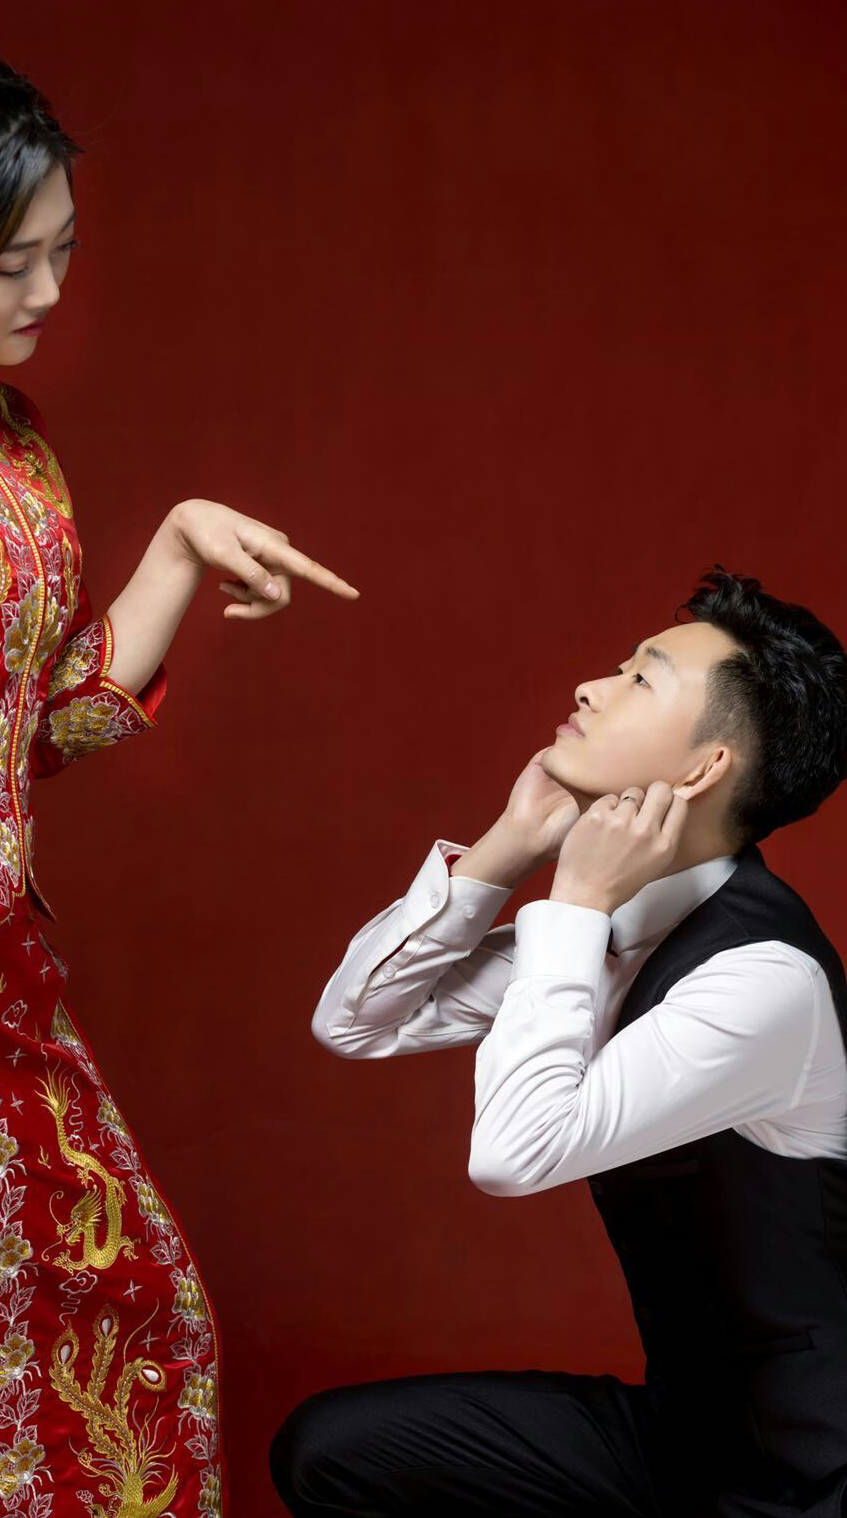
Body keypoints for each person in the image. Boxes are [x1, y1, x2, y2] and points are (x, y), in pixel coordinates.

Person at [0, 29, 359, 1517]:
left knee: (98, 1324)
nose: (46, 291)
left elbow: (38, 731)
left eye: (62, 251)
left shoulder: (2, 432)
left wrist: (178, 544)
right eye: (8, 261)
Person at [271, 567, 847, 1518]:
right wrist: (510, 843)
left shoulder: (765, 982)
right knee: (331, 1454)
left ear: (701, 771)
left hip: (803, 1479)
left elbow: (511, 1157)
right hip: (680, 1437)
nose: (590, 687)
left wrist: (576, 898)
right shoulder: (621, 929)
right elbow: (359, 1019)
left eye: (641, 679)